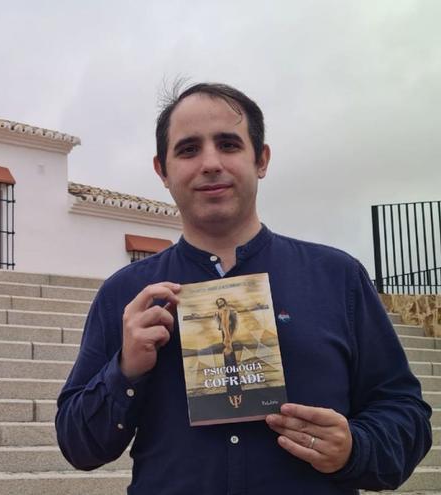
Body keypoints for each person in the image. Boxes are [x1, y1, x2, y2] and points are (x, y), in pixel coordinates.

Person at [55, 82, 432, 494]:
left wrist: (355, 448)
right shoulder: (125, 295)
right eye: (188, 149)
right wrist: (124, 370)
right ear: (162, 171)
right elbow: (79, 445)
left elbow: (406, 413)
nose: (210, 163)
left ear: (261, 159)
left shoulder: (338, 277)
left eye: (229, 144)